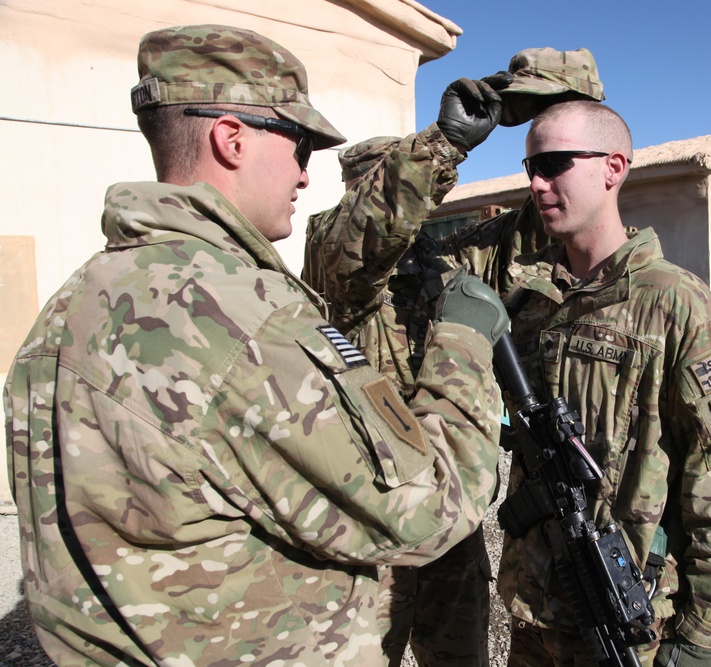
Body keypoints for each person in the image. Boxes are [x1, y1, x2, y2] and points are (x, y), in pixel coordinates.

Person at [3, 24, 512, 667]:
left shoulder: (71, 304)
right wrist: (463, 341)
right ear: (231, 137)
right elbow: (430, 509)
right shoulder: (244, 320)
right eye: (300, 146)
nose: (306, 173)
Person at [302, 47, 605, 667]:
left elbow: (538, 224)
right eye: (384, 192)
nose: (402, 212)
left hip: (449, 520)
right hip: (369, 532)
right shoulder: (333, 258)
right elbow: (358, 246)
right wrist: (440, 143)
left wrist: (557, 105)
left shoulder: (444, 262)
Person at [495, 101, 711, 666]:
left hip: (628, 623)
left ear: (613, 168)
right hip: (534, 613)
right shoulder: (528, 304)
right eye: (531, 168)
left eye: (553, 164)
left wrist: (702, 639)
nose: (538, 184)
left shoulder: (677, 305)